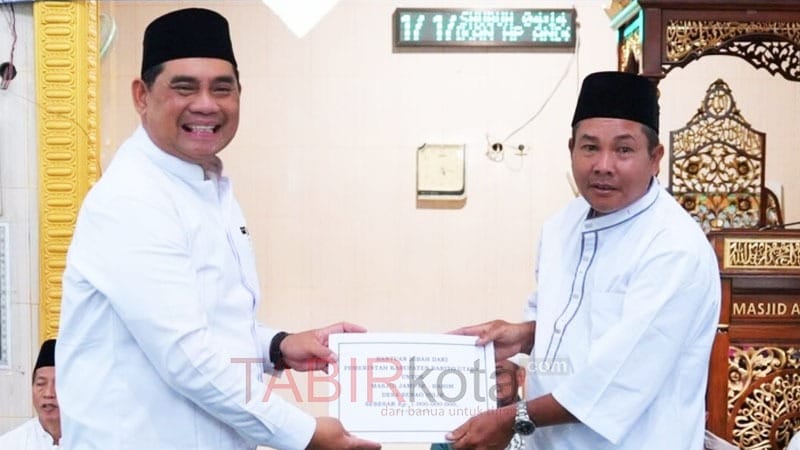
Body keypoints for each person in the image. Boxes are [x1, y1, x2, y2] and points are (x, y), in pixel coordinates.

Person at [55, 8, 379, 450]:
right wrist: (305, 435)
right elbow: (187, 356)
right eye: (184, 87)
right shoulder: (132, 198)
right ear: (141, 96)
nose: (206, 105)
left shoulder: (206, 184)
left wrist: (278, 346)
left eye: (222, 88)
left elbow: (210, 323)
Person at [446, 71, 721, 449]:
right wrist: (524, 336)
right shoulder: (563, 225)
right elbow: (573, 322)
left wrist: (510, 419)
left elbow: (618, 379)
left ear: (655, 158)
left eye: (623, 150)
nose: (603, 165)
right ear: (571, 148)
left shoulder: (673, 248)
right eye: (590, 147)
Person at [431, 359, 526, 450]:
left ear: (520, 376)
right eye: (480, 374)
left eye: (497, 373)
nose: (489, 381)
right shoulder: (455, 423)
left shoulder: (533, 417)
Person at [0, 339, 61, 449]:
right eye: (41, 384)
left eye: (58, 384)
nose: (48, 393)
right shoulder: (9, 444)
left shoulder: (91, 440)